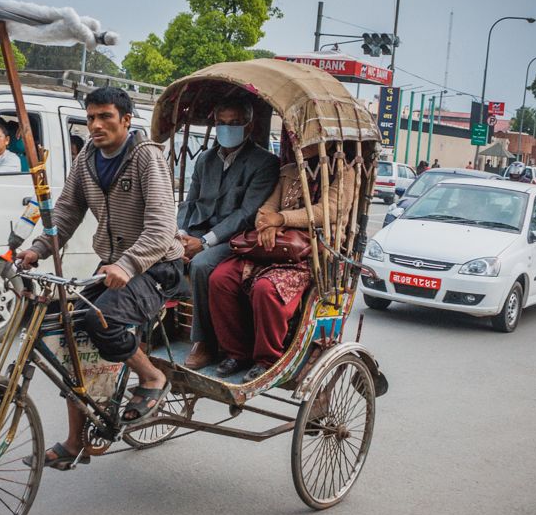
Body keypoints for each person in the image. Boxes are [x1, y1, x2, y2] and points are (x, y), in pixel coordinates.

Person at [18, 87, 184, 469]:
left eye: (105, 116)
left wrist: (127, 265)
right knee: (72, 339)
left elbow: (161, 229)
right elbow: (65, 213)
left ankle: (151, 376)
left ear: (126, 120)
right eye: (91, 117)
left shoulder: (147, 157)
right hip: (112, 266)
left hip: (156, 266)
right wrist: (38, 249)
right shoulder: (87, 159)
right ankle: (76, 441)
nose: (96, 125)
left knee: (99, 319)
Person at [176, 98, 280, 370]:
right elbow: (191, 202)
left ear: (248, 126)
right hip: (198, 230)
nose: (226, 129)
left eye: (234, 123)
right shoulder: (206, 159)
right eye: (221, 123)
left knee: (201, 264)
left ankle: (205, 342)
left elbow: (246, 213)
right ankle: (153, 328)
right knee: (156, 252)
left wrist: (204, 242)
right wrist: (180, 235)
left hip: (234, 239)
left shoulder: (264, 163)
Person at [209, 155, 327, 382]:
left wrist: (281, 220)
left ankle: (267, 360)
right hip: (269, 247)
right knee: (221, 279)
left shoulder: (342, 172)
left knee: (266, 289)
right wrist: (266, 224)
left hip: (307, 253)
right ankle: (236, 353)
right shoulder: (289, 170)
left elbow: (325, 211)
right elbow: (266, 208)